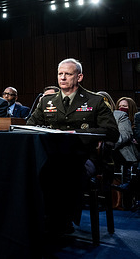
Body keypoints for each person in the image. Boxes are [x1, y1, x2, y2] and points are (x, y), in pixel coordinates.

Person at [27, 58, 119, 235]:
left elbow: (112, 132)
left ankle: (61, 221)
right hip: (52, 153)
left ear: (79, 77)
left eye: (68, 74)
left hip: (85, 155)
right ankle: (42, 218)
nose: (62, 78)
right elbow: (31, 124)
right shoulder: (47, 102)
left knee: (66, 170)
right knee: (33, 168)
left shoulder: (95, 101)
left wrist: (77, 134)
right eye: (60, 74)